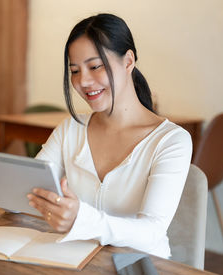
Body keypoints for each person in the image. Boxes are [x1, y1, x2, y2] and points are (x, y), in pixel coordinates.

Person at [27, 13, 192, 259]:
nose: (83, 81)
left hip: (140, 267)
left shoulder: (171, 141)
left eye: (95, 66)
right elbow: (27, 184)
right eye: (74, 70)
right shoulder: (70, 128)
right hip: (76, 261)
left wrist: (80, 218)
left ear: (128, 61)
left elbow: (152, 232)